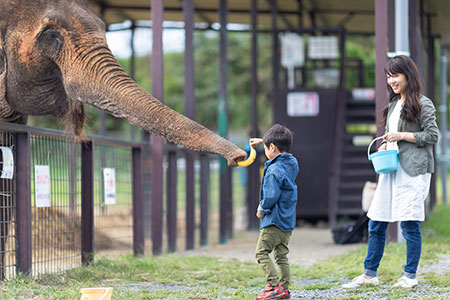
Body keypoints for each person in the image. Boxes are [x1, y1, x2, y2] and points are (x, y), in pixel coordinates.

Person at [342, 55, 439, 289]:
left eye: (395, 75)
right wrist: (385, 143)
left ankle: (410, 276)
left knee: (409, 224)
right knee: (376, 221)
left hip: (413, 171)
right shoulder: (394, 104)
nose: (391, 80)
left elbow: (432, 136)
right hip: (391, 169)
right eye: (388, 76)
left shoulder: (423, 104)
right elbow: (391, 135)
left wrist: (401, 136)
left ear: (408, 75)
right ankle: (369, 274)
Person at [250, 124, 299, 300]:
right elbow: (279, 147)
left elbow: (271, 195)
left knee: (261, 253)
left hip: (273, 221)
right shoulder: (292, 162)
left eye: (265, 148)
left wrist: (261, 210)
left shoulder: (273, 170)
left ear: (272, 147)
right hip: (287, 222)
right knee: (281, 255)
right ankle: (284, 289)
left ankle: (273, 285)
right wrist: (264, 141)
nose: (264, 151)